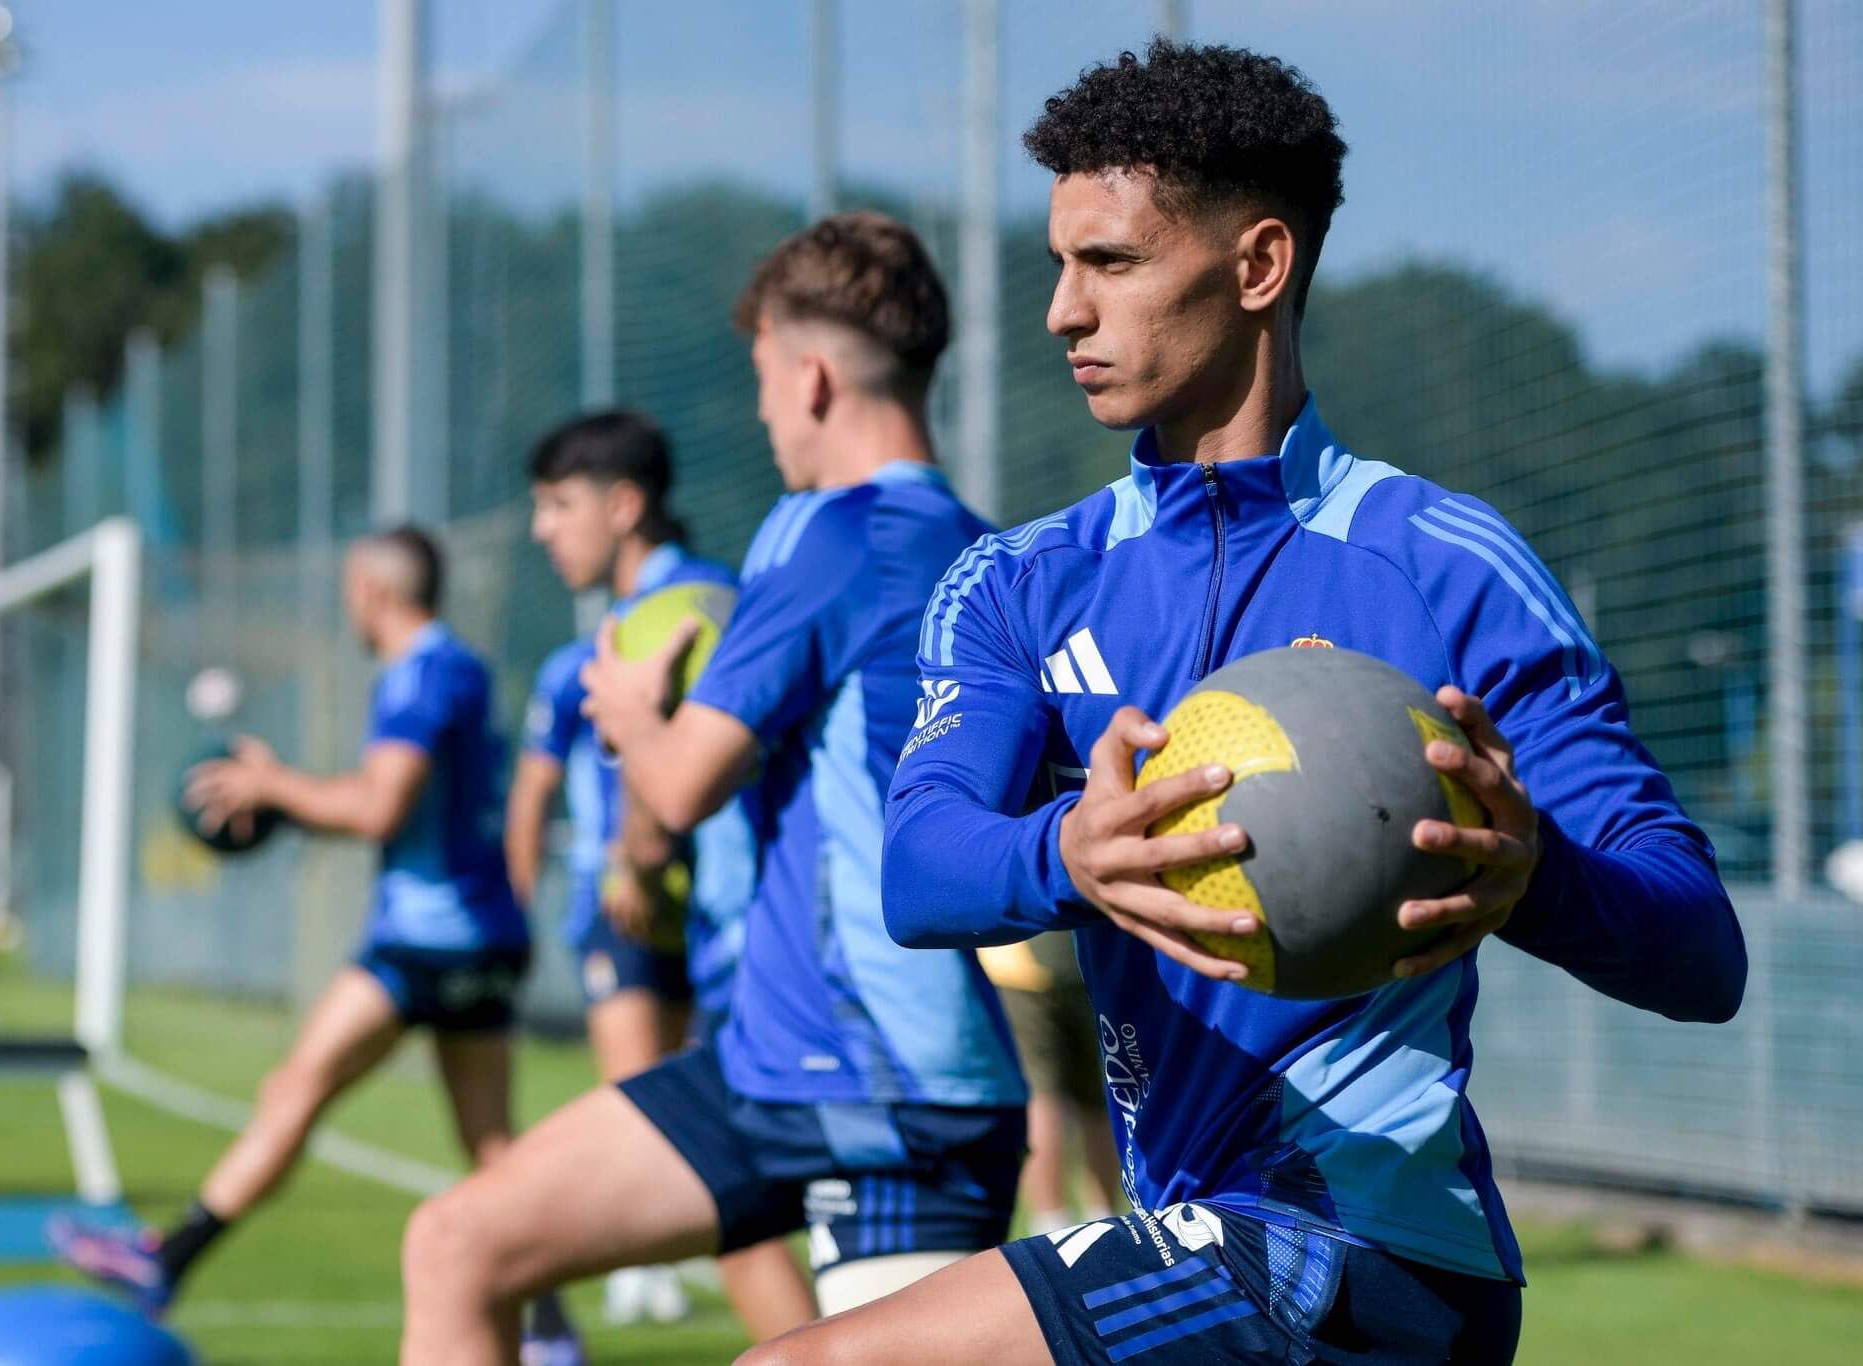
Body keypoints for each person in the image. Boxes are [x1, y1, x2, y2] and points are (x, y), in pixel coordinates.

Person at [744, 39, 1748, 1365]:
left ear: (1258, 265)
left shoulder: (1446, 566)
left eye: (1109, 262)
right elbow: (920, 867)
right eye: (1058, 263)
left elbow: (1701, 952)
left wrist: (1537, 875)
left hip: (1360, 1250)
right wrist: (1069, 853)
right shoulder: (1020, 583)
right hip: (1195, 1228)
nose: (1061, 311)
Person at [397, 212, 1029, 1366]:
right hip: (781, 1063)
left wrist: (631, 714)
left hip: (885, 1090)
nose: (762, 413)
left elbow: (681, 784)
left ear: (811, 376)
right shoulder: (998, 554)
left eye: (761, 379)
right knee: (456, 1241)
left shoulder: (824, 534)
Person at [51, 527, 580, 1364]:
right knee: (491, 1149)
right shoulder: (460, 667)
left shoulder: (420, 675)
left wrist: (272, 786)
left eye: (348, 587)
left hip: (429, 941)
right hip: (481, 934)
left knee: (296, 1087)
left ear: (373, 590)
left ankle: (167, 1262)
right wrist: (287, 798)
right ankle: (550, 1331)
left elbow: (378, 807)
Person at [508, 409, 813, 1335]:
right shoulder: (705, 598)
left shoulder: (674, 616)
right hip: (731, 924)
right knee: (733, 1191)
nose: (542, 529)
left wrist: (633, 856)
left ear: (625, 506)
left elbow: (672, 782)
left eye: (559, 505)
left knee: (705, 1175)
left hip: (709, 926)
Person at [975, 934, 1120, 1236]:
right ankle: (1105, 1222)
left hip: (1020, 963)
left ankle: (1052, 1227)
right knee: (1101, 1093)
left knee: (1041, 1095)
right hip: (1089, 958)